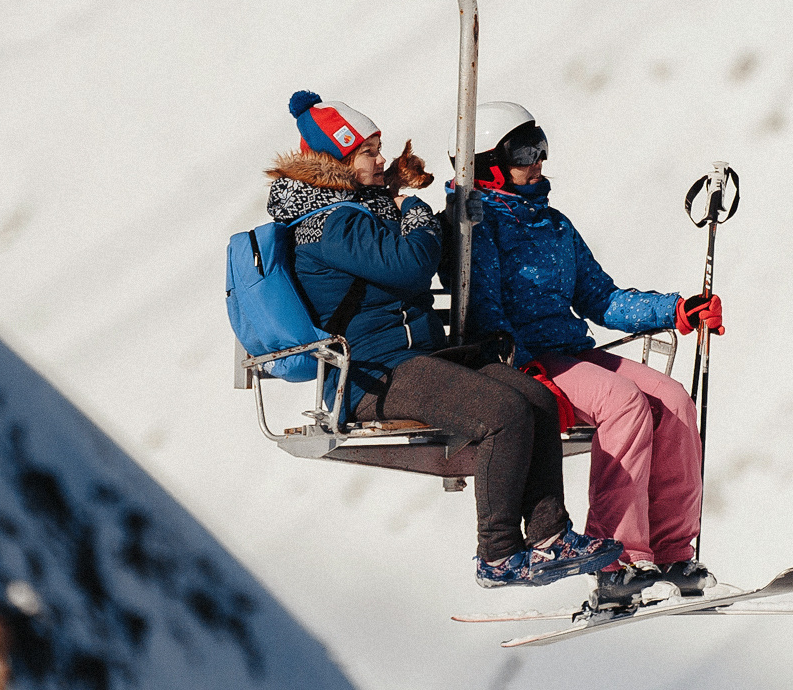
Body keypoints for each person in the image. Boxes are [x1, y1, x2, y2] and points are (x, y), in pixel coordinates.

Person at [265, 91, 621, 588]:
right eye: (369, 151)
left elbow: (420, 253)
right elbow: (410, 266)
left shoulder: (359, 211)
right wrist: (414, 210)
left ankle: (549, 536)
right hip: (372, 373)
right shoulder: (329, 224)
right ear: (338, 159)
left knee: (536, 399)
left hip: (415, 359)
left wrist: (444, 221)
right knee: (503, 413)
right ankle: (498, 553)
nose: (381, 159)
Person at [462, 102, 726, 607]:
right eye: (523, 151)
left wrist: (676, 311)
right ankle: (616, 559)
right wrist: (508, 361)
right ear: (488, 162)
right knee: (624, 403)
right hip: (531, 359)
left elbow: (600, 298)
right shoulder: (478, 226)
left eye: (540, 147)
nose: (537, 161)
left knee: (673, 400)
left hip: (573, 351)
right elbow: (483, 306)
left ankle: (672, 553)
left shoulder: (555, 226)